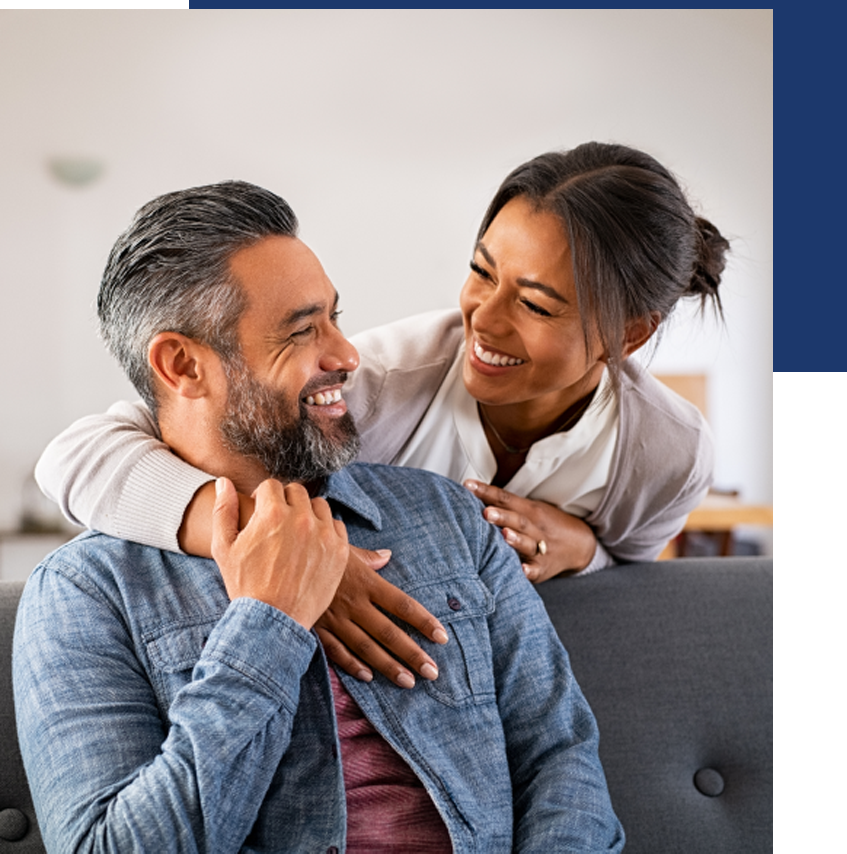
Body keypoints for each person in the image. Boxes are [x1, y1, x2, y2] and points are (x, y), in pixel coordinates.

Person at [14, 181, 624, 853]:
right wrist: (265, 625)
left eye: (335, 317)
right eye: (303, 330)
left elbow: (560, 756)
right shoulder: (84, 592)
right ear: (182, 364)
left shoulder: (447, 515)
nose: (347, 354)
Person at [35, 141, 729, 685]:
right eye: (481, 271)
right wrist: (284, 548)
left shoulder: (665, 452)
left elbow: (633, 580)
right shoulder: (381, 381)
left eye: (536, 303)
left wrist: (586, 550)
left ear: (628, 334)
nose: (481, 319)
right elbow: (75, 457)